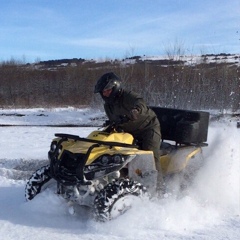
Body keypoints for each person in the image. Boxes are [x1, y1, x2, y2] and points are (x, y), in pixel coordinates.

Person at [94, 72, 164, 195]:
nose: (105, 94)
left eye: (107, 90)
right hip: (129, 132)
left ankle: (158, 192)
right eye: (103, 92)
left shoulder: (127, 96)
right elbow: (115, 120)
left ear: (115, 87)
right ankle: (116, 180)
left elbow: (140, 103)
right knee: (114, 152)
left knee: (150, 155)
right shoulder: (108, 106)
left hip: (147, 128)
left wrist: (136, 111)